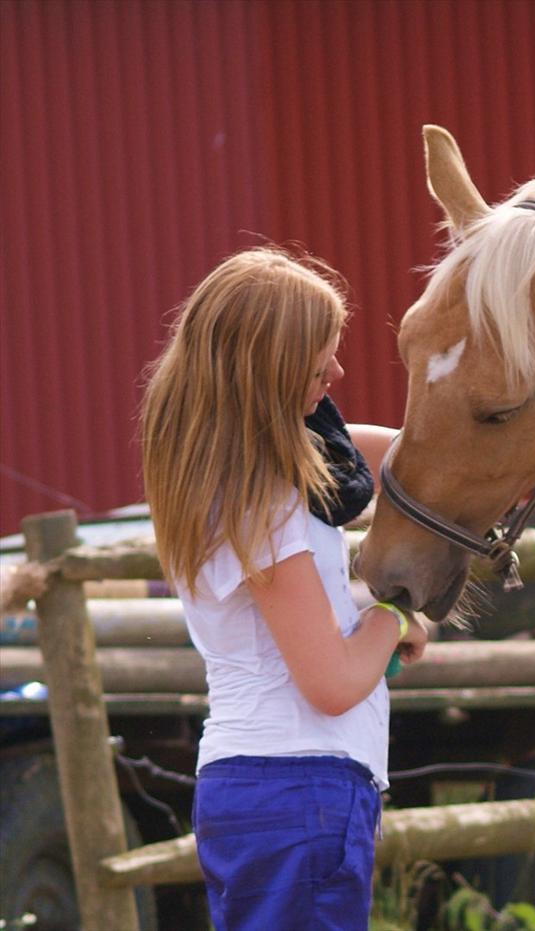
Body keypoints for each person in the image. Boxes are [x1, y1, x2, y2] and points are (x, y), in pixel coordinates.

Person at [140, 245, 426, 930]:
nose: (337, 372)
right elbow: (328, 679)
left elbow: (387, 454)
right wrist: (397, 612)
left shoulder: (228, 474)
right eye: (319, 360)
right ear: (267, 371)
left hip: (273, 789)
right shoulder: (261, 500)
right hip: (300, 787)